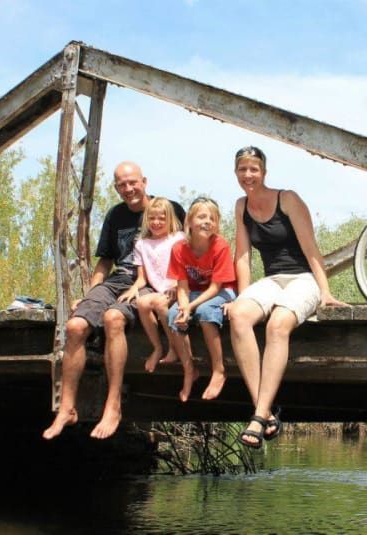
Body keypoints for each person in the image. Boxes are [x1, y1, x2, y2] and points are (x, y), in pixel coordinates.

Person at [42, 162, 185, 440]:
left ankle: (113, 404)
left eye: (133, 182)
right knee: (75, 326)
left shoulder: (166, 208)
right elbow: (105, 261)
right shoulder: (115, 215)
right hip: (119, 279)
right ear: (116, 187)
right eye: (122, 184)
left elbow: (187, 249)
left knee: (113, 318)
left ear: (144, 181)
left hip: (152, 282)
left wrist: (179, 290)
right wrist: (90, 295)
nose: (128, 189)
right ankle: (67, 408)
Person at [227, 146, 346, 449]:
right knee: (239, 314)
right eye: (242, 169)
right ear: (236, 173)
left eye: (254, 169)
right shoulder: (241, 206)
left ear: (264, 172)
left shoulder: (287, 199)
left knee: (277, 324)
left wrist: (326, 292)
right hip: (271, 280)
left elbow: (311, 249)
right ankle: (263, 411)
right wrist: (243, 297)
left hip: (302, 278)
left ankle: (258, 415)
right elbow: (242, 255)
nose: (248, 175)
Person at [167, 197, 236, 402]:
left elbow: (216, 287)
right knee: (173, 314)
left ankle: (218, 369)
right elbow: (182, 286)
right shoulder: (179, 248)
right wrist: (184, 308)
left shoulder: (220, 246)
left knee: (206, 312)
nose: (207, 222)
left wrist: (191, 306)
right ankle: (189, 369)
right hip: (194, 293)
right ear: (189, 220)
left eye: (212, 218)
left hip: (223, 291)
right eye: (202, 217)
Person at [117, 197, 185, 373]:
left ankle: (173, 347)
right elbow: (142, 278)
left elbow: (185, 267)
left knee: (160, 304)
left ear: (170, 219)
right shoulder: (141, 244)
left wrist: (177, 286)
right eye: (152, 218)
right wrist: (133, 289)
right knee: (141, 302)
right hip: (159, 288)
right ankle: (157, 347)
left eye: (162, 218)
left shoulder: (178, 238)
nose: (156, 222)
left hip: (178, 287)